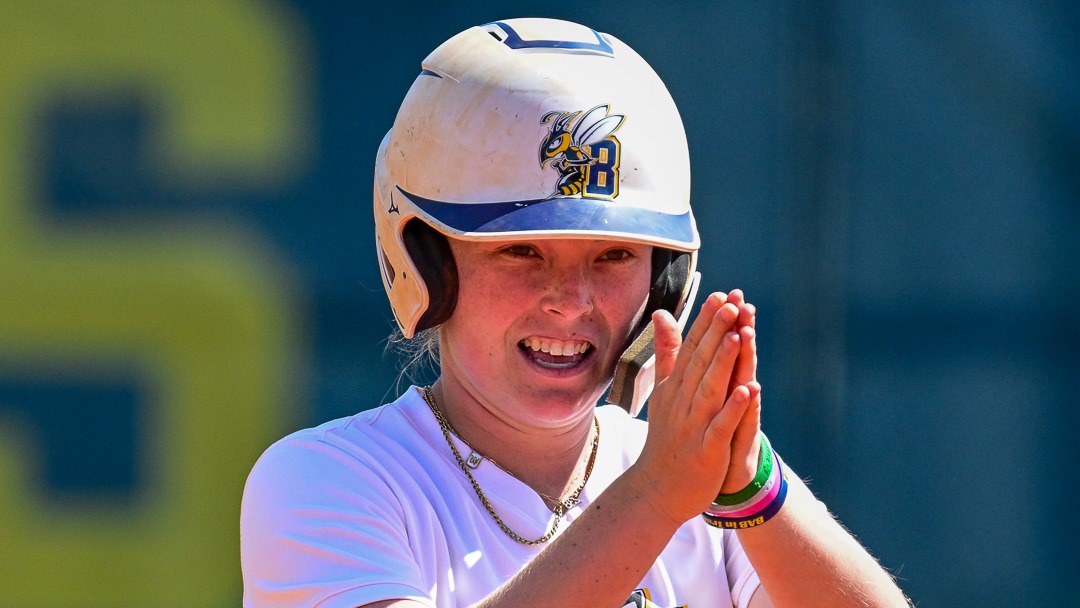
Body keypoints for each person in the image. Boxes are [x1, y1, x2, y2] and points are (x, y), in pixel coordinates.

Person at [240, 17, 912, 608]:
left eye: (614, 255)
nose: (571, 299)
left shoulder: (694, 475)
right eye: (521, 251)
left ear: (666, 284)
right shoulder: (326, 480)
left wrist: (746, 486)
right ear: (426, 264)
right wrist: (655, 495)